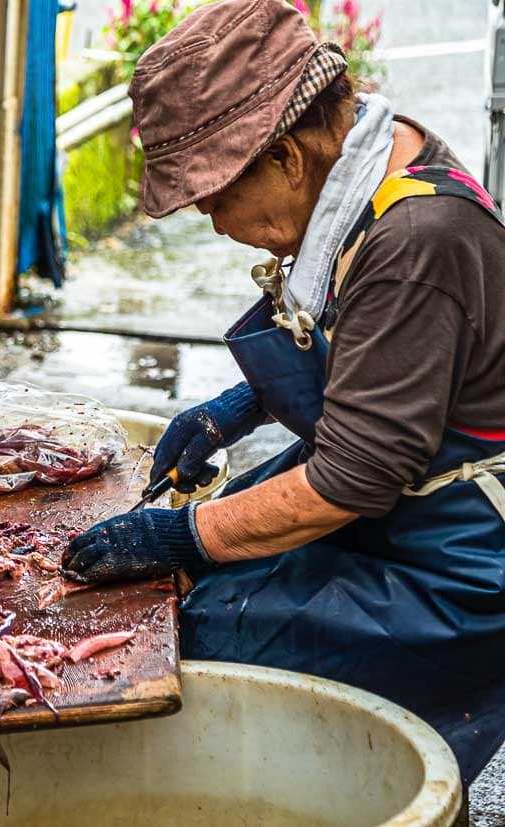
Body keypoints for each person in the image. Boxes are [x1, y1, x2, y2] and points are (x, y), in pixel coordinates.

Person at [61, 0, 505, 786]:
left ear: (287, 161)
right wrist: (236, 408)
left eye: (213, 199)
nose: (211, 222)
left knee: (193, 634)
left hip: (457, 564)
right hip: (396, 499)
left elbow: (351, 477)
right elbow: (371, 352)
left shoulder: (413, 239)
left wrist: (181, 537)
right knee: (203, 580)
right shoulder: (372, 153)